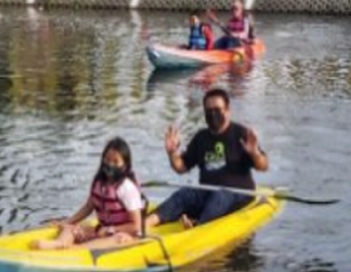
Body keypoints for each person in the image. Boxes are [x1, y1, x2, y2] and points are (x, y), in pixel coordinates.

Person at [145, 88, 269, 230]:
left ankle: (198, 227)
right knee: (185, 193)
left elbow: (263, 166)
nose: (213, 114)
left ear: (227, 110)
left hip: (238, 194)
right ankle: (146, 224)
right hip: (207, 192)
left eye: (217, 109)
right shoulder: (201, 138)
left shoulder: (241, 134)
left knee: (222, 194)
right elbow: (181, 167)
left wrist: (254, 153)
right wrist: (172, 153)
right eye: (208, 111)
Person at [32, 138, 145, 251]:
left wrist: (111, 230)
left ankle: (75, 249)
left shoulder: (127, 187)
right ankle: (60, 243)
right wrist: (66, 222)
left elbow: (136, 226)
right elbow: (88, 207)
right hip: (102, 231)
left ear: (125, 165)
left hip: (126, 237)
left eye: (116, 162)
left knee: (119, 238)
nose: (110, 164)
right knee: (70, 228)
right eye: (108, 160)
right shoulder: (100, 183)